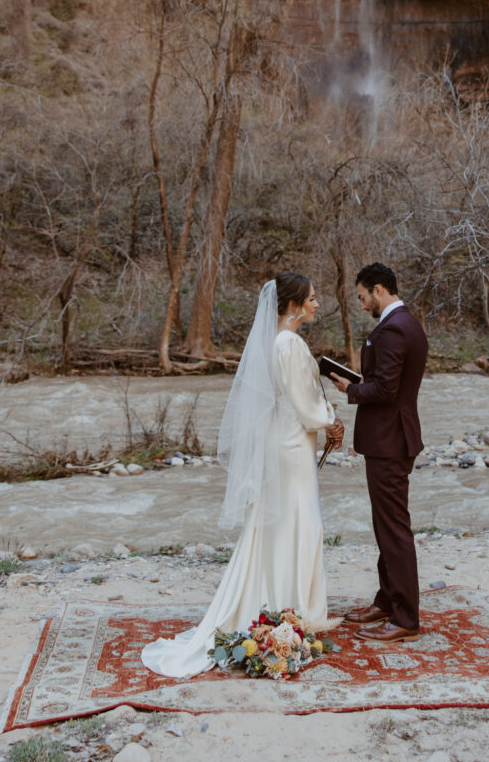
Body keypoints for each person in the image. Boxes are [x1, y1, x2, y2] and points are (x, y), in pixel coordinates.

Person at [142, 272, 344, 678]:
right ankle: (296, 611)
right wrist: (331, 421)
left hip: (285, 439)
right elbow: (305, 404)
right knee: (302, 522)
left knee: (285, 522)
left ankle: (285, 604)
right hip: (290, 444)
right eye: (312, 298)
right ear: (292, 305)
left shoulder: (275, 342)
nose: (317, 304)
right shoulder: (289, 344)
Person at [330, 262, 427, 643]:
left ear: (379, 290)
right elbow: (391, 384)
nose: (361, 303)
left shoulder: (393, 329)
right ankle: (387, 600)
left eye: (361, 296)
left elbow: (386, 391)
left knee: (394, 529)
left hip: (390, 441)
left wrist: (350, 390)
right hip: (393, 438)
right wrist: (359, 383)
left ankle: (405, 618)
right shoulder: (408, 324)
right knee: (386, 526)